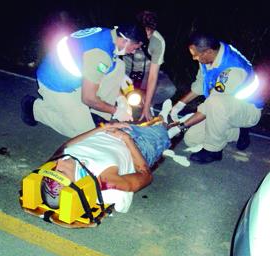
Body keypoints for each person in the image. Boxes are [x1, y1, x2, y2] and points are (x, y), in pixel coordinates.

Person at [41, 100, 182, 213]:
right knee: (163, 128)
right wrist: (127, 139)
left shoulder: (61, 160)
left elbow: (65, 146)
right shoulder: (105, 180)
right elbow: (146, 175)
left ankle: (160, 119)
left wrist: (102, 128)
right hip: (139, 145)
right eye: (61, 171)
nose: (59, 163)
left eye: (54, 170)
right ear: (74, 183)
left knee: (141, 119)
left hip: (110, 131)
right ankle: (172, 125)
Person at [21, 24, 147, 138]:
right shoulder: (100, 54)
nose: (134, 51)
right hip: (57, 85)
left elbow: (108, 66)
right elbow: (88, 98)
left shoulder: (109, 35)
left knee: (119, 66)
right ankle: (34, 108)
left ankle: (99, 116)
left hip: (73, 77)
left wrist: (120, 97)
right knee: (85, 134)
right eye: (135, 47)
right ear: (125, 40)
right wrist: (117, 111)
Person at [169, 32, 264, 164]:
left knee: (215, 103)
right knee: (191, 138)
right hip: (226, 107)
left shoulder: (232, 69)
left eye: (195, 55)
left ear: (207, 52)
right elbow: (200, 85)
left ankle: (213, 151)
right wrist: (179, 104)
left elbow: (209, 106)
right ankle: (238, 132)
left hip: (247, 110)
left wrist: (181, 126)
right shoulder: (209, 57)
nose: (194, 58)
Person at [122, 10, 177, 121]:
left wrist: (147, 107)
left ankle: (146, 104)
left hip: (146, 74)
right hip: (124, 73)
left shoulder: (157, 41)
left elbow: (153, 76)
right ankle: (124, 103)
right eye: (144, 32)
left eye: (150, 32)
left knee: (169, 89)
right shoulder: (125, 34)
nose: (147, 36)